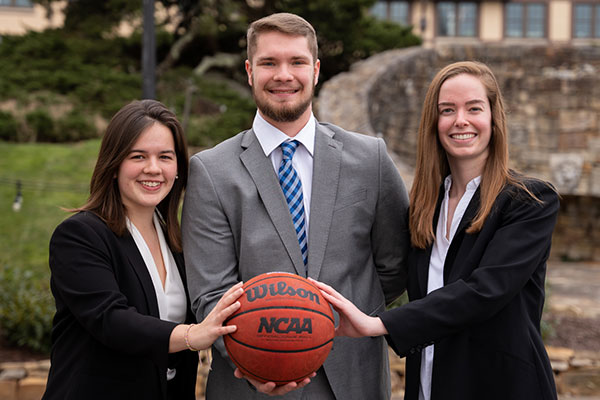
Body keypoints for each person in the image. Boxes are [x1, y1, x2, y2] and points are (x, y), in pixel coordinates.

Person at [181, 12, 409, 400]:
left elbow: (395, 265)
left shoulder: (369, 159)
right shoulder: (211, 171)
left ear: (316, 70)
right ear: (250, 71)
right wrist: (257, 357)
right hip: (250, 384)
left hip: (354, 381)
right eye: (269, 63)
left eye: (297, 62)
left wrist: (330, 323)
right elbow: (209, 293)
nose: (283, 75)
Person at [313, 61, 560, 400]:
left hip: (500, 387)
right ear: (434, 122)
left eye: (474, 108)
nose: (461, 120)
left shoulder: (529, 201)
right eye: (448, 110)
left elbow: (484, 292)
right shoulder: (424, 208)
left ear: (493, 117)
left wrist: (379, 323)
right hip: (428, 387)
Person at [42, 100, 244, 400]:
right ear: (113, 165)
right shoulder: (80, 236)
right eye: (138, 156)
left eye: (165, 156)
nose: (153, 168)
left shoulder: (179, 242)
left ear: (178, 169)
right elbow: (111, 320)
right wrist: (192, 335)